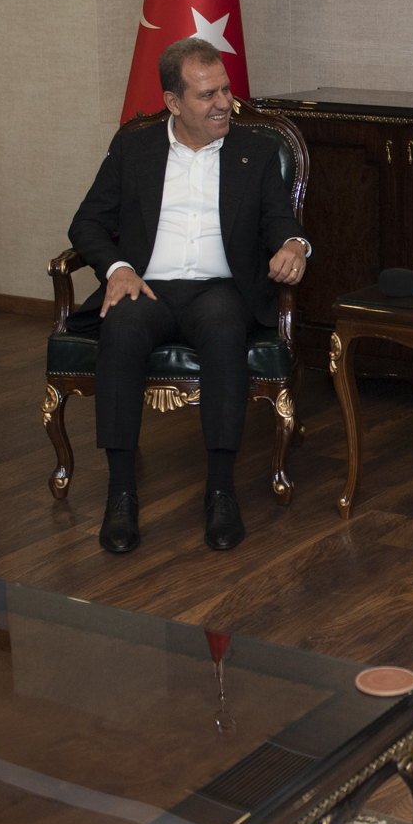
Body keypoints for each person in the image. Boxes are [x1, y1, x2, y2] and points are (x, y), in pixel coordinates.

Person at [67, 36, 311, 555]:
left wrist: (294, 244)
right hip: (147, 286)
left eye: (225, 90)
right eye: (207, 95)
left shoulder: (256, 151)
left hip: (219, 290)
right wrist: (117, 268)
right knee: (120, 328)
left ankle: (221, 492)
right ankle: (121, 494)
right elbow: (86, 223)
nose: (224, 103)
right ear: (173, 102)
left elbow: (278, 219)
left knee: (224, 330)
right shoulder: (134, 149)